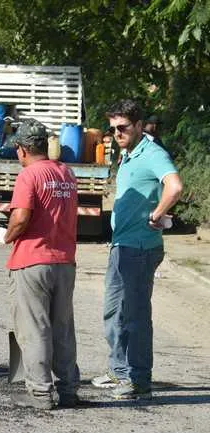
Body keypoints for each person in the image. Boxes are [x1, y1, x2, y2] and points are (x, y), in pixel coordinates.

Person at [92, 100, 183, 400]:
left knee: (135, 315)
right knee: (113, 312)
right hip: (122, 245)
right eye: (113, 128)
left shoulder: (153, 154)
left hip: (141, 249)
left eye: (123, 128)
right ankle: (120, 371)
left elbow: (174, 186)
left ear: (139, 125)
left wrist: (157, 215)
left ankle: (139, 379)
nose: (117, 133)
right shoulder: (128, 155)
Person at [0, 119, 80, 410]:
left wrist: (6, 237)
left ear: (22, 150)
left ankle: (41, 394)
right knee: (62, 329)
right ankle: (69, 390)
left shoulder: (29, 175)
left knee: (34, 329)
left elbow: (21, 217)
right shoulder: (67, 174)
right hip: (64, 261)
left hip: (32, 261)